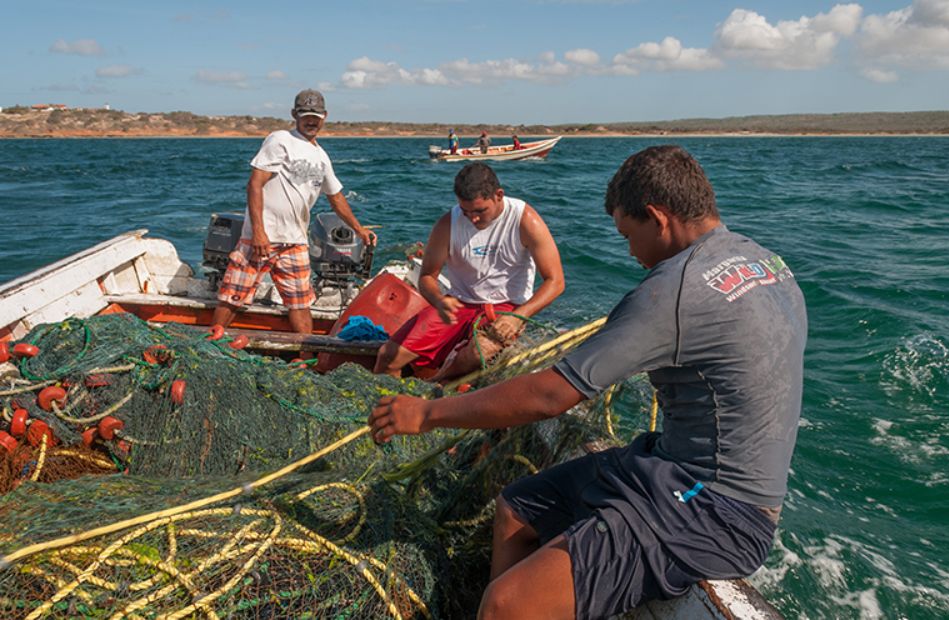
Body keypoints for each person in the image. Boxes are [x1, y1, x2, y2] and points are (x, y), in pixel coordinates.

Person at [369, 145, 807, 619]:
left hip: (716, 510)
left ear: (658, 218)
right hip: (667, 465)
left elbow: (550, 394)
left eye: (627, 234)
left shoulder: (672, 291)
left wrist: (426, 413)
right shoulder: (765, 262)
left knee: (504, 605)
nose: (630, 251)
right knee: (515, 509)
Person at [373, 162, 564, 380]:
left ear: (499, 195)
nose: (473, 219)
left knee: (477, 352)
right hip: (459, 304)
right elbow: (427, 276)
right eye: (465, 212)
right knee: (388, 356)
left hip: (506, 306)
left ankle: (435, 386)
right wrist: (437, 300)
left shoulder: (525, 220)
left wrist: (519, 317)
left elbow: (555, 281)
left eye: (480, 211)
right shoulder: (447, 225)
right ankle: (384, 408)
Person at [211, 89, 376, 337]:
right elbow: (254, 184)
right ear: (294, 115)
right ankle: (211, 342)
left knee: (300, 304)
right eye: (305, 115)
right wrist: (258, 232)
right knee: (233, 297)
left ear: (325, 116)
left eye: (316, 116)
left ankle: (305, 357)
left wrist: (359, 229)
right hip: (261, 238)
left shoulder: (321, 156)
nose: (311, 121)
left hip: (295, 241)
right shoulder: (279, 140)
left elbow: (336, 197)